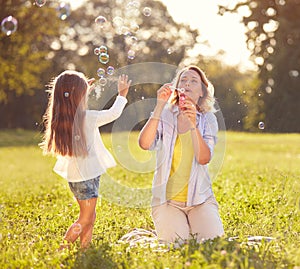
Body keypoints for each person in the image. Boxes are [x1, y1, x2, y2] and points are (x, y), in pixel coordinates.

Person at [40, 70, 131, 249]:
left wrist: (82, 90)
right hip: (87, 177)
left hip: (77, 177)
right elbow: (113, 114)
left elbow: (71, 100)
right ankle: (63, 247)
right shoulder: (87, 118)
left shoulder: (61, 120)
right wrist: (122, 95)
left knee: (90, 214)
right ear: (79, 96)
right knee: (86, 217)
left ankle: (85, 248)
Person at [138, 65, 224, 244]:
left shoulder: (208, 119)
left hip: (200, 200)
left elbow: (204, 158)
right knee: (177, 244)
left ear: (201, 91)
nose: (187, 83)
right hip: (167, 202)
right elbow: (144, 144)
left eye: (194, 81)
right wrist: (159, 106)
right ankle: (178, 226)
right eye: (183, 80)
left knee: (213, 243)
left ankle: (192, 223)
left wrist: (193, 125)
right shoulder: (166, 115)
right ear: (176, 89)